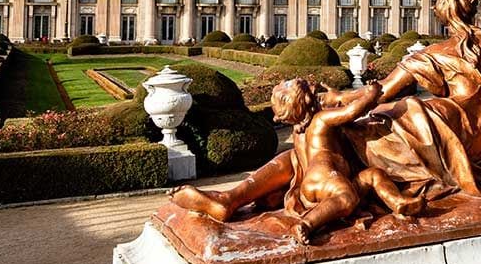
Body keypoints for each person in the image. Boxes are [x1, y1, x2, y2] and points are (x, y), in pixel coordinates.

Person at [168, 0, 481, 227]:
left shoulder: (427, 55)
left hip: (433, 127)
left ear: (443, 18)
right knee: (330, 139)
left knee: (332, 137)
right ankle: (237, 197)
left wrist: (328, 99)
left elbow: (380, 93)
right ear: (472, 11)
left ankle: (237, 195)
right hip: (478, 134)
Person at [172, 79, 423, 243]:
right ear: (305, 98)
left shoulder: (299, 128)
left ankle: (228, 200)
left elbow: (337, 100)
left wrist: (345, 94)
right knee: (346, 198)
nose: (289, 79)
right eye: (290, 82)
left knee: (372, 174)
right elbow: (350, 111)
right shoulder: (322, 118)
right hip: (326, 179)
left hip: (306, 178)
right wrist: (370, 94)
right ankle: (308, 223)